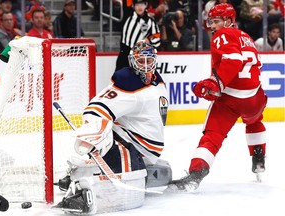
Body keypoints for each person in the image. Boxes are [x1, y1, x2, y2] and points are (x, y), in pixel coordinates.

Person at [53, 41, 171, 214]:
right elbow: (97, 107)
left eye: (149, 60)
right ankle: (79, 192)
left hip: (139, 146)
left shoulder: (156, 81)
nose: (146, 66)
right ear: (132, 61)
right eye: (141, 61)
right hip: (126, 143)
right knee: (132, 179)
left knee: (155, 173)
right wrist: (93, 134)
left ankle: (80, 172)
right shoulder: (129, 84)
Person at [166, 3, 267, 192]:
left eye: (217, 21)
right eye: (211, 21)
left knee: (213, 135)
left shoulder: (223, 35)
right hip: (256, 98)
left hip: (231, 99)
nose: (213, 26)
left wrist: (217, 83)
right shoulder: (246, 37)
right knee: (254, 121)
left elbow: (233, 61)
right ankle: (259, 158)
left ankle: (196, 173)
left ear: (229, 21)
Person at [115, 0, 161, 71]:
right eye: (137, 4)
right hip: (124, 53)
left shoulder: (150, 21)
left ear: (146, 5)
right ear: (133, 6)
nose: (140, 7)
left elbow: (157, 40)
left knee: (137, 80)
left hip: (139, 56)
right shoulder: (128, 15)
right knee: (119, 78)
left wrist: (149, 40)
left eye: (142, 4)